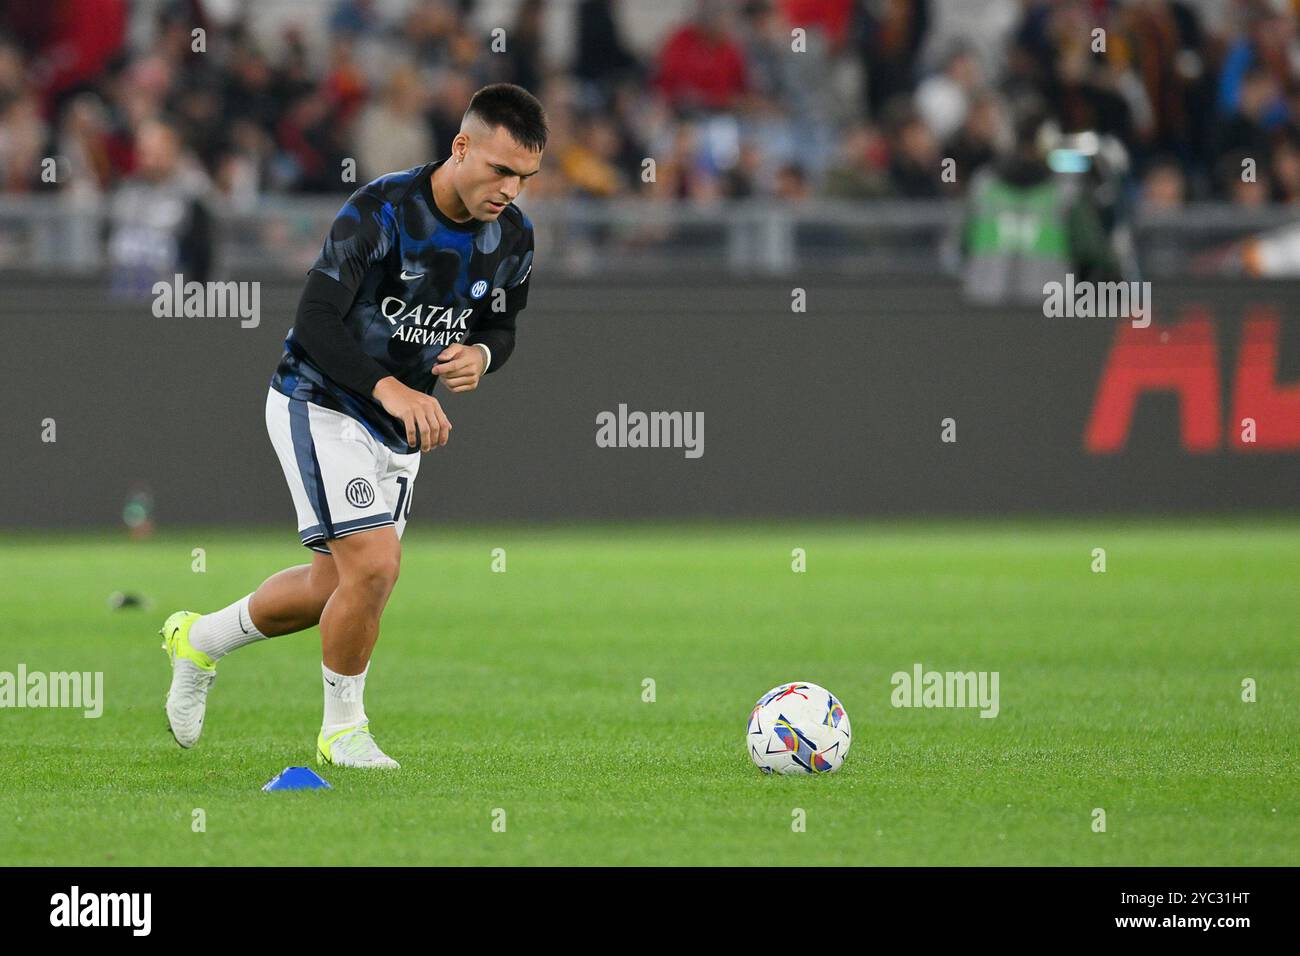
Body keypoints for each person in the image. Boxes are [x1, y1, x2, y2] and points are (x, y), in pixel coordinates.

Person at [158, 83, 547, 769]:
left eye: (525, 176)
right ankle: (343, 732)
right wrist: (391, 387)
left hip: (399, 424)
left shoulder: (512, 235)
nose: (511, 189)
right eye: (500, 169)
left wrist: (481, 357)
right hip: (320, 398)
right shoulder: (383, 209)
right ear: (461, 148)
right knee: (374, 566)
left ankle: (198, 641)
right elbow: (315, 320)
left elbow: (503, 326)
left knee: (331, 590)